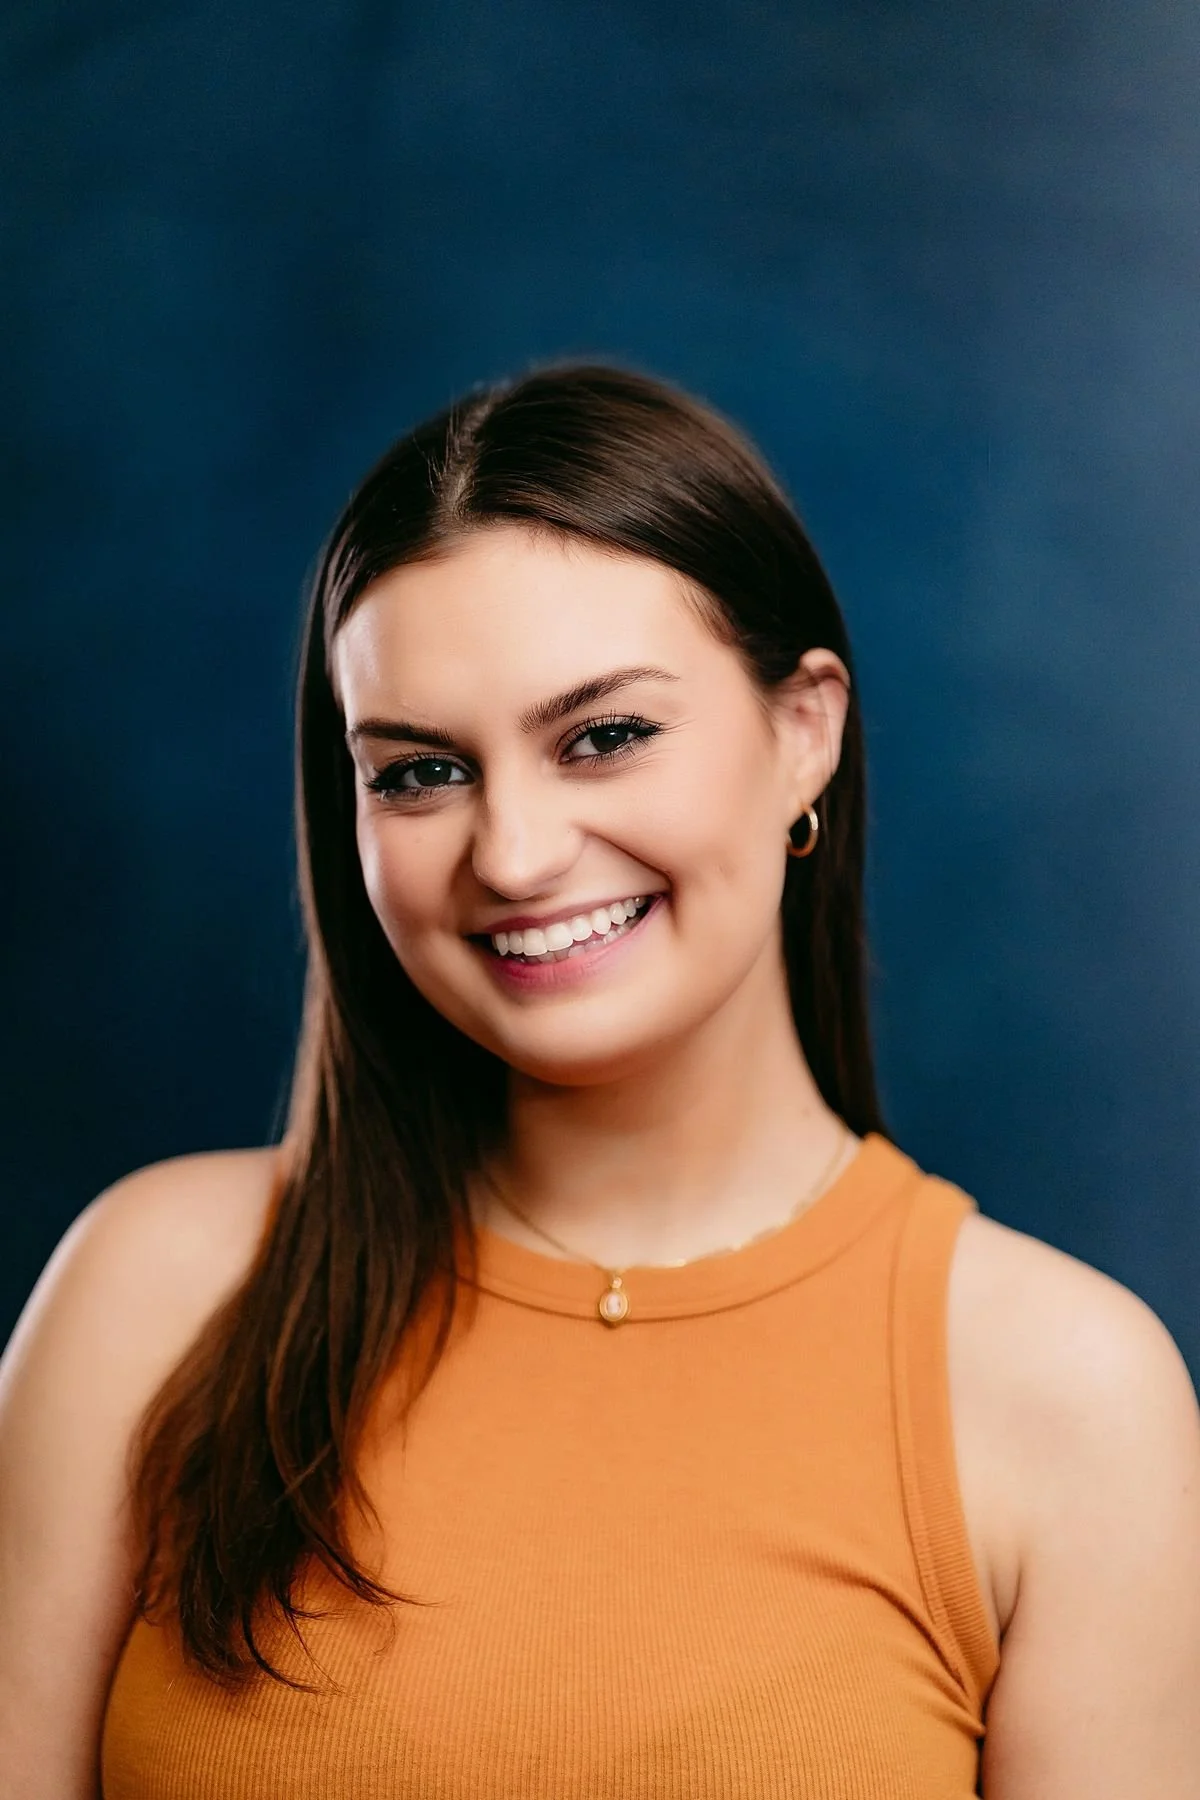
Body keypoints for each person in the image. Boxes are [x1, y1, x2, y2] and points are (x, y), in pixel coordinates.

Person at [2, 363, 1198, 1800]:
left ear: (804, 732)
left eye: (606, 737)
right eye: (420, 771)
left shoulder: (1068, 1396)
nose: (513, 854)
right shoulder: (154, 1292)